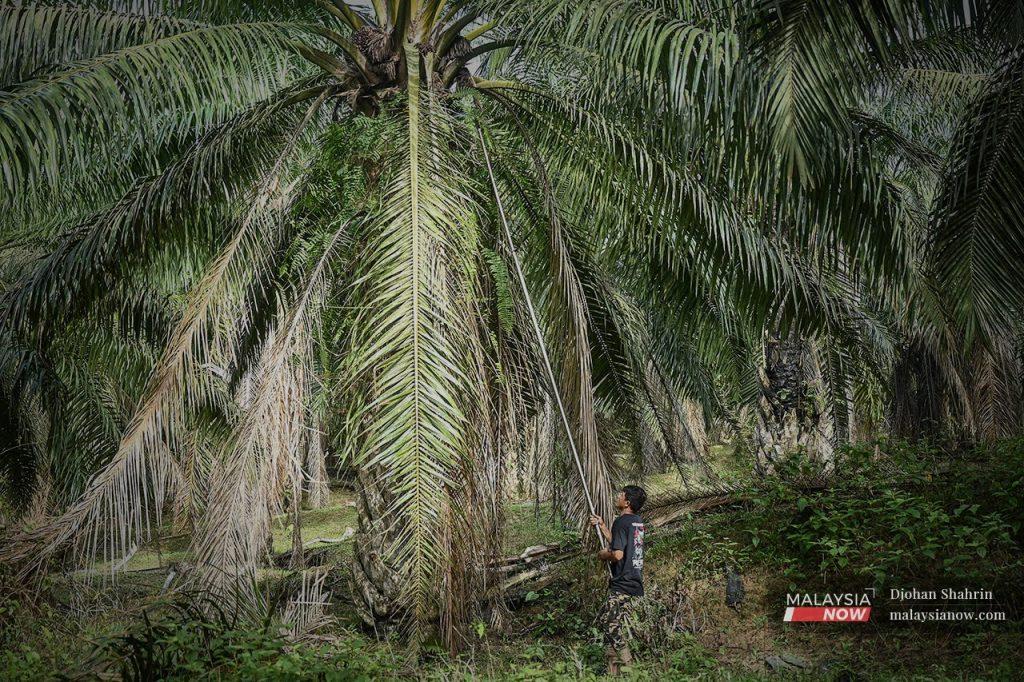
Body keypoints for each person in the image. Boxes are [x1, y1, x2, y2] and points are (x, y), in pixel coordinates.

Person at [589, 485, 647, 675]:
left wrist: (603, 554)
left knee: (609, 623)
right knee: (611, 623)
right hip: (634, 580)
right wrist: (603, 526)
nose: (618, 497)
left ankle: (628, 666)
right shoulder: (636, 521)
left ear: (627, 502)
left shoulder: (622, 521)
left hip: (623, 582)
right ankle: (612, 672)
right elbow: (619, 541)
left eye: (621, 495)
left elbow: (618, 554)